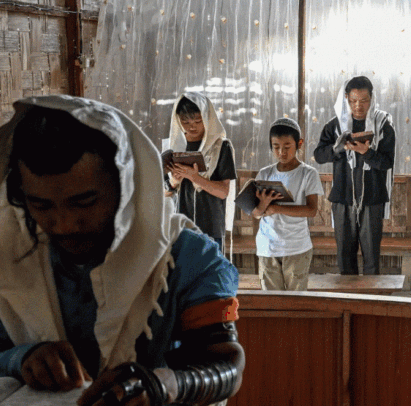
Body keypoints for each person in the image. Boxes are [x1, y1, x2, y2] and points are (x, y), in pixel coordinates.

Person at [0, 96, 244, 406]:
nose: (63, 224)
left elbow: (225, 364)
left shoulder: (186, 258)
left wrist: (160, 385)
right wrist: (21, 360)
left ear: (126, 186)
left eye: (84, 203)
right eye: (40, 205)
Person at [314, 76, 396, 275]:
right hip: (343, 198)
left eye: (364, 100)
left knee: (371, 256)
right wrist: (339, 148)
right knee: (344, 255)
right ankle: (348, 301)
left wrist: (365, 152)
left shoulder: (382, 125)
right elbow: (318, 155)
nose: (358, 105)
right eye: (353, 100)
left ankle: (372, 301)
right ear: (346, 99)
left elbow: (387, 162)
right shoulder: (335, 126)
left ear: (372, 98)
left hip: (372, 199)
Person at [251, 118, 324, 291]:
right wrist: (264, 204)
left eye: (287, 146)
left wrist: (276, 208)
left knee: (296, 303)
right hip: (267, 246)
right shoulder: (265, 173)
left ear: (299, 143)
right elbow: (256, 213)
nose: (281, 152)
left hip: (296, 247)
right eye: (276, 147)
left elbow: (311, 210)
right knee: (271, 304)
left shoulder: (308, 173)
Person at [164, 93, 237, 255]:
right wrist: (174, 181)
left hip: (211, 227)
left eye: (198, 121)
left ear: (207, 117)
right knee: (183, 277)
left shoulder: (221, 147)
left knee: (209, 276)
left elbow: (223, 192)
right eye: (185, 121)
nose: (192, 127)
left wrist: (194, 177)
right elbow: (164, 193)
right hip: (181, 227)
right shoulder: (172, 147)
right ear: (178, 120)